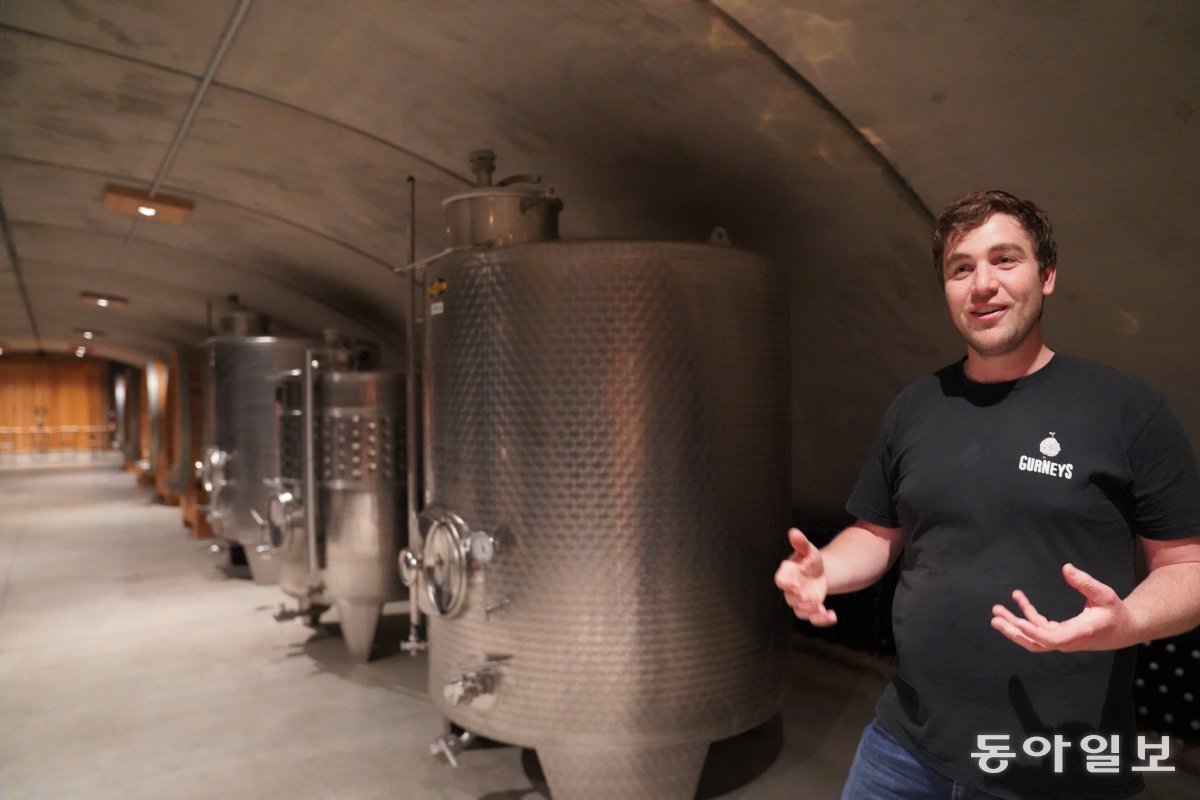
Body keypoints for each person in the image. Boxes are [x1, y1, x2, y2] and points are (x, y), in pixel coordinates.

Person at [775, 190, 1200, 799]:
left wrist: (1128, 621)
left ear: (1046, 275)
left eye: (1005, 260)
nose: (982, 284)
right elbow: (877, 533)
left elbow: (1189, 567)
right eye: (961, 267)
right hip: (904, 746)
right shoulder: (915, 408)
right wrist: (826, 569)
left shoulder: (1127, 411)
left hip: (1055, 762)